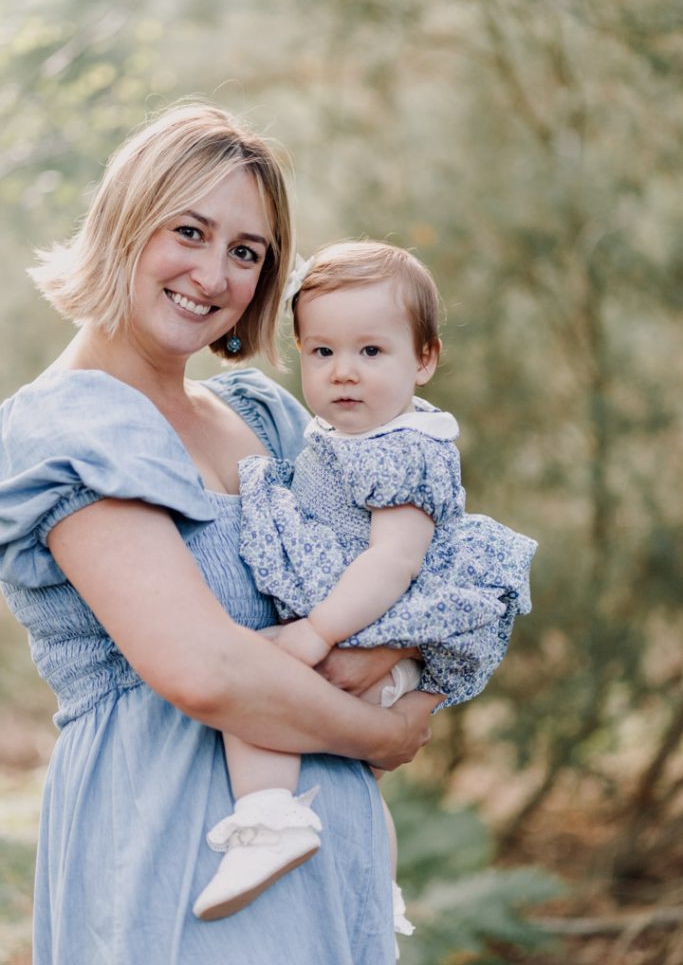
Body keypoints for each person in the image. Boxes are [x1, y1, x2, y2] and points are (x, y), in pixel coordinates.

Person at [0, 105, 438, 965]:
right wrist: (383, 734)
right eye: (189, 232)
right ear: (125, 223)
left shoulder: (267, 419)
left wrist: (389, 650)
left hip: (330, 847)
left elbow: (408, 574)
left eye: (246, 252)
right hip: (172, 849)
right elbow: (203, 672)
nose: (213, 274)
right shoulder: (66, 428)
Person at [193, 240, 537, 937]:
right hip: (361, 626)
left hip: (363, 630)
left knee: (252, 684)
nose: (343, 371)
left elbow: (393, 564)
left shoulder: (403, 450)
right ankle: (378, 894)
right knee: (357, 787)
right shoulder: (354, 435)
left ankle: (267, 817)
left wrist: (315, 632)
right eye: (322, 352)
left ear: (424, 359)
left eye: (371, 352)